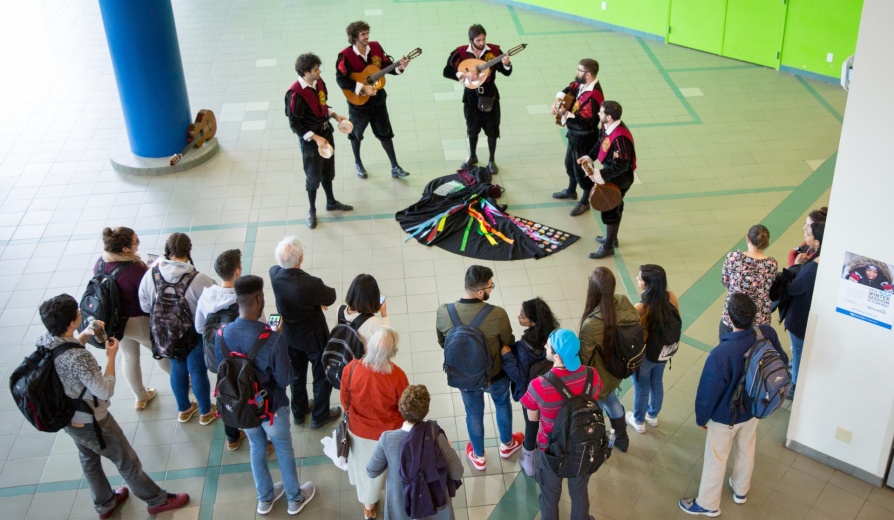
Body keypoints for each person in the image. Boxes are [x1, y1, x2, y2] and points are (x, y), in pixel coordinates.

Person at [37, 294, 189, 518]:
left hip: (68, 418)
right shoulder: (80, 359)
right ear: (71, 322)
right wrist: (111, 357)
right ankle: (157, 500)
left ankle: (105, 503)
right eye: (78, 313)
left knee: (89, 460)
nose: (81, 314)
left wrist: (85, 335)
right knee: (126, 461)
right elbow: (104, 390)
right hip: (94, 420)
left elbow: (65, 353)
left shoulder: (45, 342)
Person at [215, 275, 316, 516]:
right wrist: (279, 341)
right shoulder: (271, 338)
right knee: (283, 448)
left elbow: (222, 369)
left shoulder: (222, 334)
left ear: (238, 301)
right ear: (259, 299)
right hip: (272, 409)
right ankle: (294, 498)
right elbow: (284, 378)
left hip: (243, 408)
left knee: (256, 447)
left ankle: (265, 498)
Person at [679, 293, 787, 517]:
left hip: (725, 417)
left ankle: (708, 504)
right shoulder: (766, 333)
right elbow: (782, 361)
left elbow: (707, 394)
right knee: (746, 448)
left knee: (717, 457)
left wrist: (701, 419)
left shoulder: (721, 354)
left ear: (729, 317)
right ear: (754, 315)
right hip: (754, 410)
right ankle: (740, 490)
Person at [436, 265, 524, 471]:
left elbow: (443, 342)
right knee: (502, 405)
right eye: (490, 286)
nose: (491, 290)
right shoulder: (497, 314)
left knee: (473, 413)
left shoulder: (444, 312)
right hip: (495, 376)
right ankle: (507, 445)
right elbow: (508, 342)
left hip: (464, 376)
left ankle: (478, 456)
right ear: (479, 292)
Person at [520, 328, 601, 520]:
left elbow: (532, 419)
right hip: (582, 445)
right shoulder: (592, 375)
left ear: (556, 355)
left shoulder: (539, 385)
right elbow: (593, 401)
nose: (545, 347)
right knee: (579, 494)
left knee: (549, 497)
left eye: (548, 346)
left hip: (550, 451)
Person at [138, 232, 217, 425]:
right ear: (188, 250)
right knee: (197, 371)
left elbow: (145, 305)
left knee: (177, 369)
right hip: (192, 335)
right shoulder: (199, 279)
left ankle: (184, 409)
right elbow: (214, 306)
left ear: (167, 251)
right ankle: (206, 412)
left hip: (166, 334)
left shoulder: (151, 274)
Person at [269, 236, 341, 429]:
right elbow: (331, 296)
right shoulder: (311, 284)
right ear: (300, 258)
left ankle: (299, 412)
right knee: (321, 378)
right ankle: (319, 415)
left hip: (290, 338)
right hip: (314, 339)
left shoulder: (274, 275)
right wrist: (317, 300)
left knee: (296, 376)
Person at [94, 226, 170, 411]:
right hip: (136, 321)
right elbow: (150, 289)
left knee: (129, 357)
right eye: (136, 242)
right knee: (159, 351)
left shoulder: (101, 262)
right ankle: (182, 378)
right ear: (126, 249)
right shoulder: (133, 269)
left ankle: (140, 396)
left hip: (115, 322)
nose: (139, 244)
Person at [340, 327, 409, 520]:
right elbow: (404, 408)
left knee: (366, 472)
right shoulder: (398, 376)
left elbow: (344, 400)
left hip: (358, 431)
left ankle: (368, 507)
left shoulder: (351, 369)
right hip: (389, 434)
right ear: (392, 352)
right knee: (391, 470)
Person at [366, 384, 464, 520]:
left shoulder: (387, 440)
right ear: (426, 411)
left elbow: (371, 471)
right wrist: (448, 447)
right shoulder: (436, 436)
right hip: (436, 512)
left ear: (400, 408)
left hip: (400, 512)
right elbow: (457, 472)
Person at [286, 52, 354, 229]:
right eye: (316, 69)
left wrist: (335, 115)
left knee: (327, 170)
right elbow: (295, 125)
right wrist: (316, 138)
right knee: (313, 176)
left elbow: (323, 105)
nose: (320, 71)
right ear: (305, 72)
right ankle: (312, 210)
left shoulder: (319, 82)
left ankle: (331, 201)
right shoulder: (295, 94)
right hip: (311, 140)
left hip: (326, 134)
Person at [335, 21, 411, 179]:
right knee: (356, 134)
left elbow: (387, 66)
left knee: (386, 133)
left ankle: (395, 167)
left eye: (367, 33)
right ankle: (358, 163)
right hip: (358, 104)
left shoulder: (375, 47)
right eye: (363, 34)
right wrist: (362, 88)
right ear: (354, 37)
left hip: (378, 101)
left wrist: (400, 67)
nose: (367, 36)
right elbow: (341, 80)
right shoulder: (345, 57)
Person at [195, 249, 253, 450]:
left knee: (225, 392)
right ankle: (253, 430)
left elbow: (199, 327)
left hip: (218, 359)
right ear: (238, 271)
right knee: (247, 392)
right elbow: (260, 331)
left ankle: (232, 438)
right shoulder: (246, 299)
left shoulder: (206, 296)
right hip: (242, 359)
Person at [578, 266, 639, 452]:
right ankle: (622, 438)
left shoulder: (591, 324)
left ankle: (597, 442)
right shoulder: (622, 301)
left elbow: (584, 359)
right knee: (612, 400)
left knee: (597, 408)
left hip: (599, 377)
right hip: (619, 368)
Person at [500, 297, 560, 476]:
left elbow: (519, 376)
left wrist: (507, 356)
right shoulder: (553, 335)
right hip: (552, 388)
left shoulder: (526, 347)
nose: (519, 318)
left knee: (531, 424)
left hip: (532, 393)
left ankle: (529, 460)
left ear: (533, 321)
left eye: (523, 316)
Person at [443, 24, 514, 175]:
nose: (482, 43)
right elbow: (447, 70)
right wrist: (464, 75)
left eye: (483, 39)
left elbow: (506, 72)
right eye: (478, 40)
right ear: (471, 40)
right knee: (472, 129)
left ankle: (491, 160)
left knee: (492, 129)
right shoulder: (461, 53)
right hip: (471, 97)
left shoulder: (494, 52)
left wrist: (507, 64)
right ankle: (472, 156)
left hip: (490, 95)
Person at [577, 100, 637, 259]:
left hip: (620, 178)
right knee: (614, 207)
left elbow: (622, 165)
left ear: (609, 117)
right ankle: (612, 238)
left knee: (611, 209)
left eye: (601, 112)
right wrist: (590, 157)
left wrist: (601, 174)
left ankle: (608, 246)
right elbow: (600, 143)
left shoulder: (620, 138)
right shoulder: (607, 126)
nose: (598, 113)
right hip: (611, 175)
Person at [626, 264, 681, 434]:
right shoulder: (671, 296)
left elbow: (632, 332)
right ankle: (653, 415)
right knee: (657, 383)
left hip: (646, 355)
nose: (637, 279)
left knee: (642, 388)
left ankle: (639, 421)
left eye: (640, 277)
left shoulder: (642, 307)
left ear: (648, 284)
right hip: (664, 352)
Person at [551, 59, 604, 217]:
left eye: (579, 71)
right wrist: (558, 101)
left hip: (585, 139)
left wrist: (563, 113)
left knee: (584, 170)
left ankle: (584, 201)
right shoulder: (581, 84)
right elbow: (569, 88)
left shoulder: (594, 96)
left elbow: (585, 120)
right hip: (574, 135)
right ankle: (571, 191)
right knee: (569, 164)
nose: (577, 73)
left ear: (588, 74)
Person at [784, 220, 824, 400]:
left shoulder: (813, 268)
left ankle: (795, 384)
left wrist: (796, 265)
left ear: (817, 241)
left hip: (801, 320)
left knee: (799, 351)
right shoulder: (821, 257)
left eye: (808, 231)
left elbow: (793, 287)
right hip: (812, 317)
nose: (804, 231)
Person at [719, 225, 777, 336]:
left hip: (732, 317)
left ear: (747, 238)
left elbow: (725, 281)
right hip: (759, 320)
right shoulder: (771, 264)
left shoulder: (734, 257)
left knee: (727, 349)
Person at [343, 273, 390, 344]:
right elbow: (387, 342)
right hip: (364, 355)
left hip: (344, 354)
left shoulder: (339, 310)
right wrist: (384, 315)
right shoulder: (373, 321)